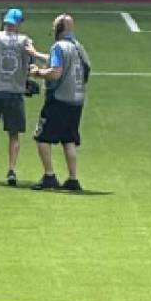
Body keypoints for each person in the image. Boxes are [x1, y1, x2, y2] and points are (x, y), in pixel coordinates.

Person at [0, 7, 40, 187]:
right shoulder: (25, 41)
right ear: (18, 23)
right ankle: (11, 169)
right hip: (15, 93)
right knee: (14, 134)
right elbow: (31, 65)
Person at [31, 13, 91, 191]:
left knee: (42, 137)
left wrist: (38, 73)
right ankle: (73, 179)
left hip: (59, 99)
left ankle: (49, 176)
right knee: (69, 140)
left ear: (58, 29)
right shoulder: (78, 47)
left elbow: (56, 72)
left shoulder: (58, 47)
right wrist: (36, 54)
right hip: (77, 99)